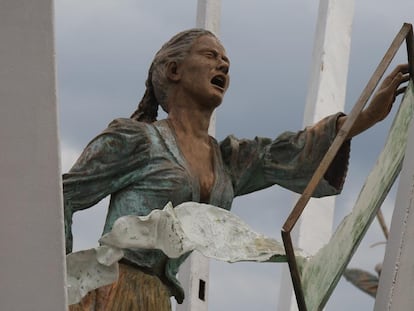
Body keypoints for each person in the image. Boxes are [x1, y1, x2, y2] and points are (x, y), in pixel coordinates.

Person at [63, 28, 409, 310]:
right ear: (174, 71)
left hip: (158, 298)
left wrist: (366, 118)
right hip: (110, 292)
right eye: (210, 56)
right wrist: (49, 284)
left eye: (227, 61)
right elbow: (60, 198)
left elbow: (290, 151)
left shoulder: (228, 160)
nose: (223, 65)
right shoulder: (137, 140)